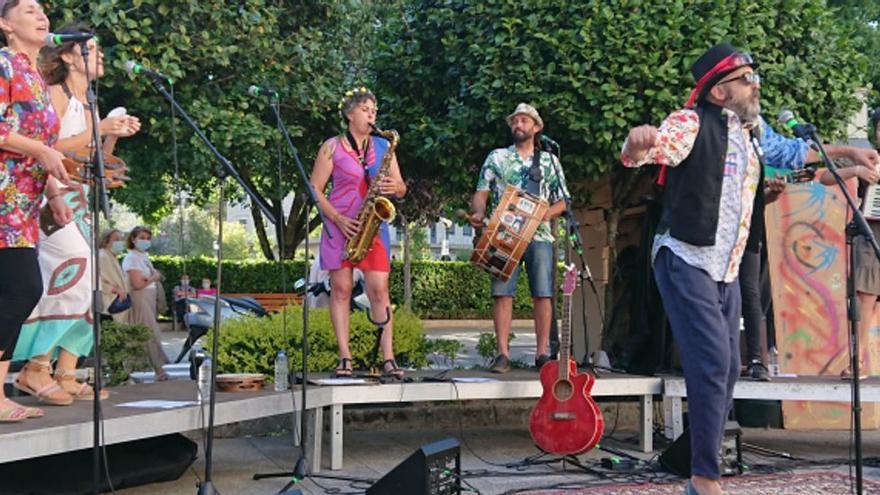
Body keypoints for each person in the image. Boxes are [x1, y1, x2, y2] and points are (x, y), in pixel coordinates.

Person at [620, 43, 796, 495]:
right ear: (719, 91)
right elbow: (653, 147)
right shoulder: (691, 121)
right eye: (745, 79)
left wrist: (847, 154)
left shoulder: (754, 130)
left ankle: (689, 459)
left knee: (730, 368)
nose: (755, 85)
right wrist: (637, 142)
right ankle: (704, 477)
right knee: (713, 362)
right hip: (685, 256)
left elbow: (790, 152)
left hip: (727, 266)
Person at [13, 23, 141, 404]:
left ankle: (65, 370)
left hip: (80, 199)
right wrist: (99, 128)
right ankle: (35, 367)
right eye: (92, 49)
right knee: (73, 271)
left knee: (90, 286)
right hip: (51, 200)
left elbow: (91, 157)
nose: (99, 56)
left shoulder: (91, 103)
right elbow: (43, 146)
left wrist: (113, 135)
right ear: (69, 55)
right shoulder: (54, 93)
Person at [0, 0, 74, 421]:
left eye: (43, 10)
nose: (41, 16)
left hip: (23, 203)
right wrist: (42, 151)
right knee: (23, 289)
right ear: (5, 25)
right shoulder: (4, 65)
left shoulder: (36, 76)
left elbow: (41, 148)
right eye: (29, 10)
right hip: (3, 197)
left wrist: (55, 193)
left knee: (12, 293)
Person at [309, 86, 406, 379]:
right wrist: (337, 219)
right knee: (341, 290)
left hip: (373, 226)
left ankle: (388, 357)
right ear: (350, 114)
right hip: (340, 226)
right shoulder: (332, 147)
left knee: (379, 290)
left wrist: (395, 188)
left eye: (374, 111)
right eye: (366, 110)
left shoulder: (384, 147)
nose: (372, 115)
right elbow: (314, 189)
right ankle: (345, 357)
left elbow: (401, 186)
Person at [469, 103, 569, 373]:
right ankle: (502, 354)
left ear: (536, 127)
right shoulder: (497, 157)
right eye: (515, 121)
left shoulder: (549, 160)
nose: (518, 125)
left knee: (543, 294)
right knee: (502, 293)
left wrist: (540, 215)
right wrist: (478, 212)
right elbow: (481, 192)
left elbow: (563, 202)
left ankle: (542, 354)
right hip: (504, 234)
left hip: (540, 236)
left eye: (524, 121)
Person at [122, 226, 169, 380]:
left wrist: (151, 278)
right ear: (133, 239)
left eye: (148, 238)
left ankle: (155, 369)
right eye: (142, 237)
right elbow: (137, 284)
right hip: (140, 298)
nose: (146, 241)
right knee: (148, 333)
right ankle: (158, 370)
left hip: (148, 299)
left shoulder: (143, 257)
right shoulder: (132, 258)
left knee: (146, 333)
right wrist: (153, 278)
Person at [98, 228, 131, 323]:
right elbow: (95, 280)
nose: (120, 242)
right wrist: (115, 289)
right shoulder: (102, 256)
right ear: (106, 241)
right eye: (116, 239)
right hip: (108, 305)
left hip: (113, 303)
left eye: (121, 239)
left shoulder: (110, 256)